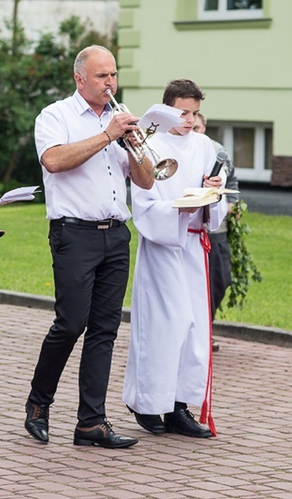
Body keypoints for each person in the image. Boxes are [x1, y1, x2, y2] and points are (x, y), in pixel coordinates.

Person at [25, 45, 154, 449]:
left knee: (105, 330)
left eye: (113, 75)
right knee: (70, 323)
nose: (110, 83)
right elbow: (54, 161)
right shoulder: (55, 116)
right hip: (74, 233)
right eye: (102, 76)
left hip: (116, 233)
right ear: (80, 78)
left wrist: (134, 146)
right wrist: (107, 135)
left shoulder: (120, 120)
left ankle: (91, 423)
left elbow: (148, 181)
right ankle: (38, 403)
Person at [123, 79, 227, 439]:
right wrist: (178, 209)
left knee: (193, 328)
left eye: (195, 113)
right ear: (167, 109)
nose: (189, 119)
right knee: (164, 325)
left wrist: (212, 195)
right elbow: (145, 204)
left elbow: (217, 199)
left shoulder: (203, 146)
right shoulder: (149, 146)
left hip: (195, 248)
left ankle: (180, 405)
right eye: (183, 112)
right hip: (164, 245)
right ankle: (148, 403)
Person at [193, 112, 239, 353]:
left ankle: (206, 327)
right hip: (189, 230)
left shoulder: (217, 150)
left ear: (205, 127)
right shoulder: (181, 151)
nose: (194, 131)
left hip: (217, 230)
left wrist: (232, 205)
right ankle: (199, 334)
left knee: (219, 281)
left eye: (198, 127)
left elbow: (232, 183)